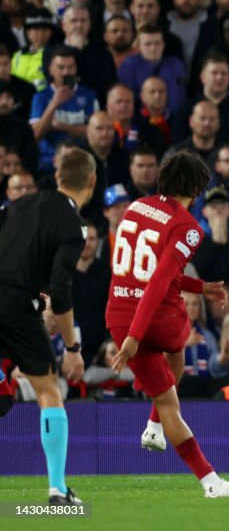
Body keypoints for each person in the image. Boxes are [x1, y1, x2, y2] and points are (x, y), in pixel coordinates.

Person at [106, 151, 229, 498]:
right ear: (196, 188)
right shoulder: (187, 227)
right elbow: (157, 283)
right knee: (178, 352)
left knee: (173, 364)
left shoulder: (135, 208)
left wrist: (200, 286)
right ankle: (210, 482)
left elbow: (146, 271)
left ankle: (154, 427)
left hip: (118, 313)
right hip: (151, 318)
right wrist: (137, 337)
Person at [0, 148, 93, 504]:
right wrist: (72, 349)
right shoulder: (74, 226)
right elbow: (61, 287)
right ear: (92, 181)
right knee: (48, 392)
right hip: (16, 304)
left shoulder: (19, 204)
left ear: (57, 178)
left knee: (5, 397)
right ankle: (58, 490)